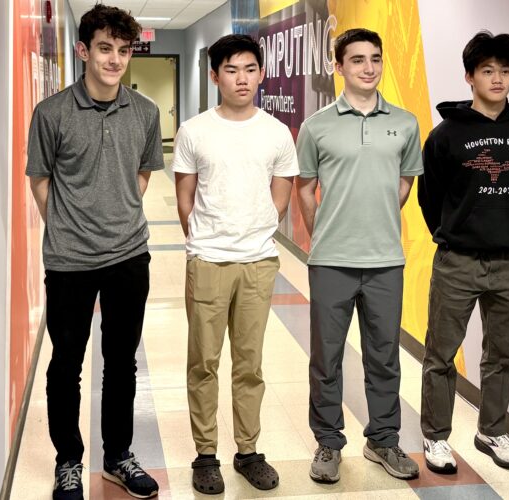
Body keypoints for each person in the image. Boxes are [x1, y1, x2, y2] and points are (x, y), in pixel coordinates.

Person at [26, 4, 163, 500]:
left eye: (123, 51)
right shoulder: (52, 113)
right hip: (69, 262)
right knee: (66, 365)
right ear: (83, 51)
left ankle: (118, 456)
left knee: (121, 363)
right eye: (105, 48)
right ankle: (68, 461)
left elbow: (143, 173)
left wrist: (117, 213)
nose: (114, 60)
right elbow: (40, 180)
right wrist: (70, 227)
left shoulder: (145, 112)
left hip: (129, 257)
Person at [418, 31, 509, 474]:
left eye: (505, 71)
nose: (497, 79)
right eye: (487, 70)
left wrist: (503, 227)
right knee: (441, 354)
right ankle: (436, 437)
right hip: (458, 261)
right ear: (469, 77)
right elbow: (430, 198)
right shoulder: (445, 137)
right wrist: (455, 234)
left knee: (501, 354)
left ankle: (491, 430)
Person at [172, 34, 298, 495]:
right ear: (214, 76)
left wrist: (256, 229)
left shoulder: (277, 132)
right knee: (203, 363)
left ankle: (248, 452)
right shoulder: (194, 131)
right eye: (231, 70)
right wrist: (204, 240)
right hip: (208, 260)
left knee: (250, 364)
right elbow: (185, 197)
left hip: (258, 262)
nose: (241, 79)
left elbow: (281, 195)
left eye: (249, 69)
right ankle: (206, 455)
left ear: (261, 73)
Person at [296, 28, 422, 484]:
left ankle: (383, 439)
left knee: (384, 357)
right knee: (326, 358)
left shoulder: (405, 123)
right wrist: (327, 233)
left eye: (375, 59)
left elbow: (405, 182)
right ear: (339, 66)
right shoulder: (317, 125)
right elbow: (305, 188)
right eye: (357, 60)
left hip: (386, 260)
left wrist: (376, 220)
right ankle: (328, 443)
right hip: (331, 261)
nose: (368, 68)